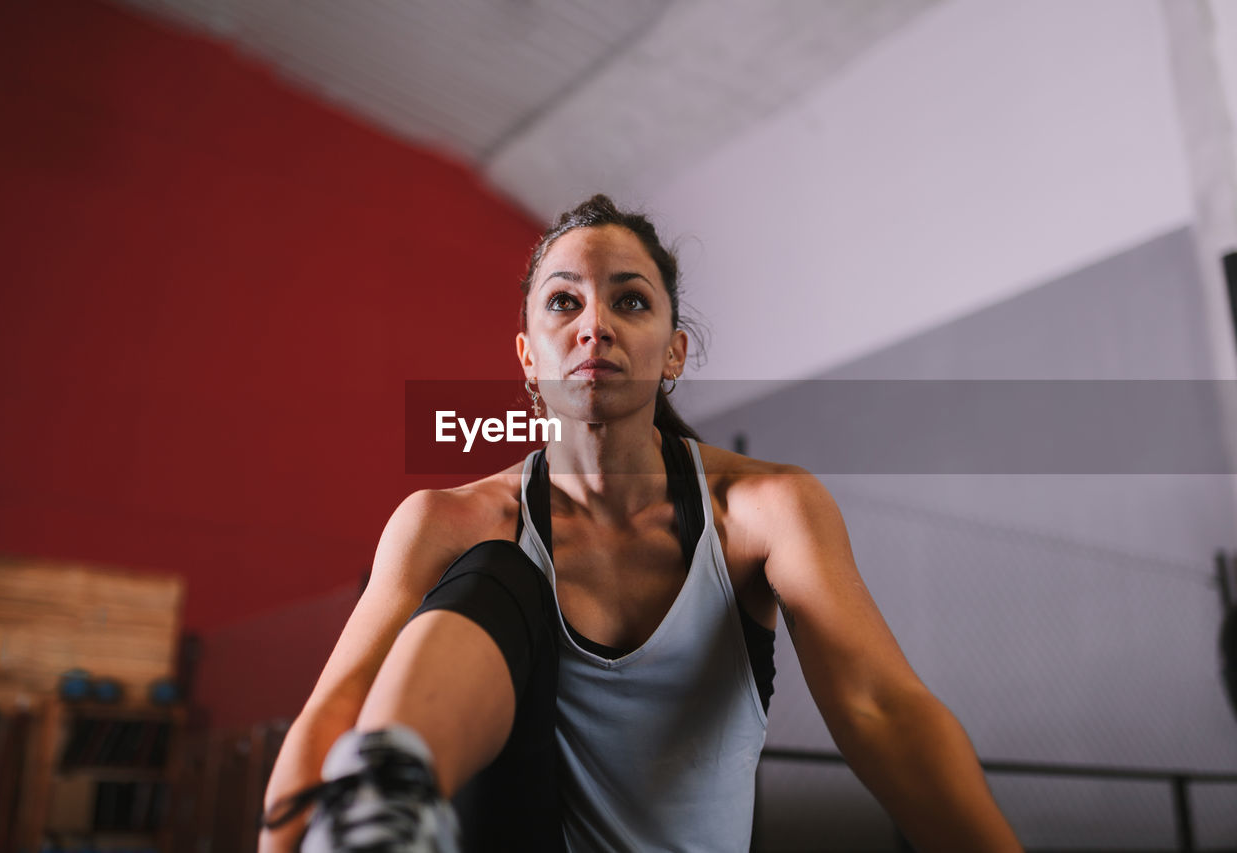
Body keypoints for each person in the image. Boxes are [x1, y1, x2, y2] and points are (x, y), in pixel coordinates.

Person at [259, 195, 1021, 852]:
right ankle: (384, 812)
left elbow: (880, 706)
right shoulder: (448, 518)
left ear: (674, 353)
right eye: (564, 301)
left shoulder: (762, 511)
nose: (595, 326)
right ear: (527, 359)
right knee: (495, 570)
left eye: (629, 301)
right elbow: (336, 706)